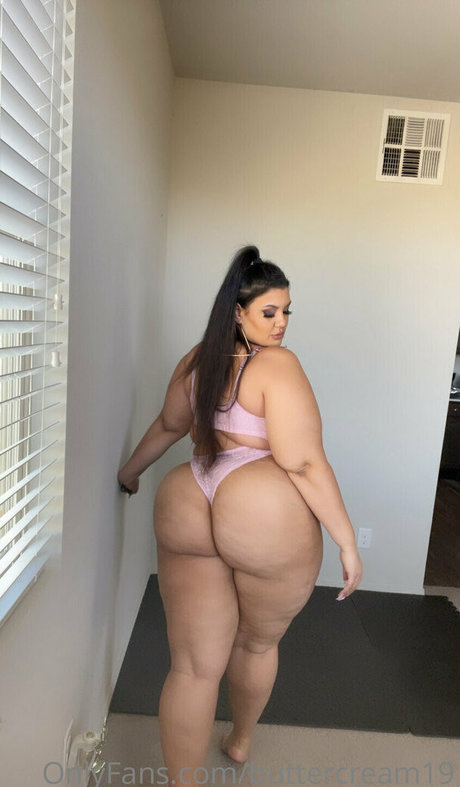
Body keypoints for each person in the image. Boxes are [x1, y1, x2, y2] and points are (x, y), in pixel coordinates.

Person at [117, 245, 363, 786]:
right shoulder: (277, 365)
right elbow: (301, 462)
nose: (281, 324)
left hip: (189, 493)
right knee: (255, 642)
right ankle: (240, 740)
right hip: (257, 505)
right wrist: (346, 539)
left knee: (191, 666)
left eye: (287, 311)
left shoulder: (197, 359)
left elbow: (169, 426)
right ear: (238, 311)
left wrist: (130, 473)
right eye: (269, 312)